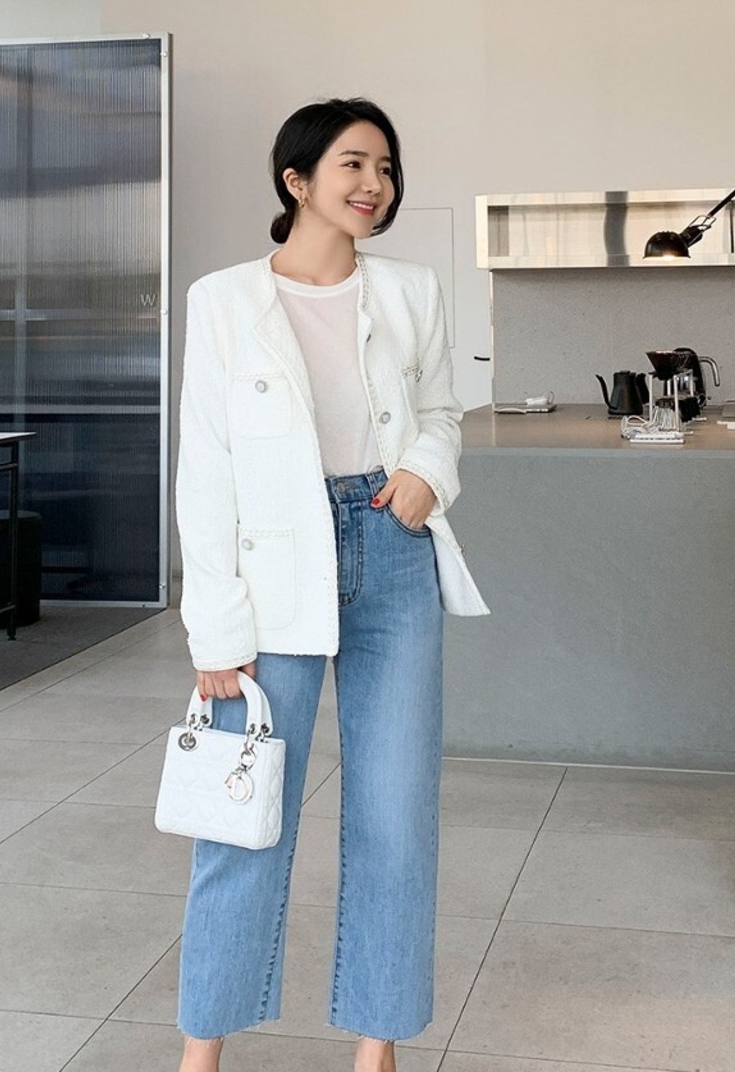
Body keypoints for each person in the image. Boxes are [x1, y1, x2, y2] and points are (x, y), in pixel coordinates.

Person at [173, 98, 489, 1072]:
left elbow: (442, 412)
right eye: (353, 163)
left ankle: (375, 1045)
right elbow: (205, 468)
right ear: (296, 178)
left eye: (385, 168)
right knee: (242, 815)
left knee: (396, 817)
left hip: (391, 551)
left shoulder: (410, 292)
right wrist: (213, 629)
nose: (373, 184)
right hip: (272, 571)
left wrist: (426, 473)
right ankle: (200, 1050)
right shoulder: (224, 300)